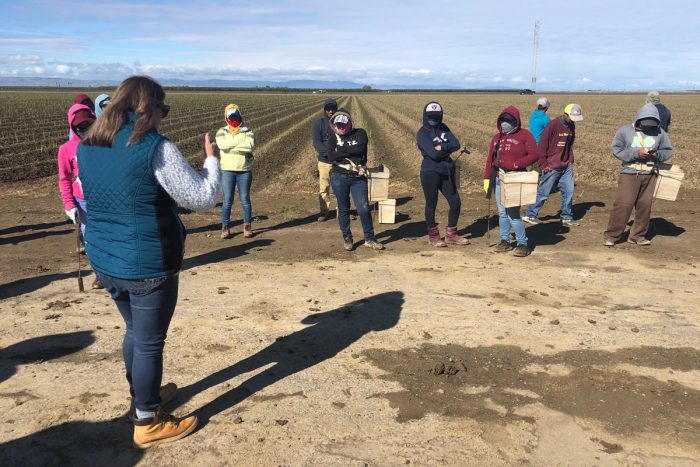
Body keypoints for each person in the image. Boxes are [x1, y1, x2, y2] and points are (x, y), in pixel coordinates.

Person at [77, 76, 221, 448]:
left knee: (135, 332)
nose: (164, 117)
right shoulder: (154, 147)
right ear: (147, 108)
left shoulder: (89, 143)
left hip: (104, 257)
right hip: (146, 261)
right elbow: (201, 197)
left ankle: (142, 396)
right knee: (149, 342)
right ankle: (147, 419)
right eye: (163, 109)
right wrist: (211, 161)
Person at [603, 103, 673, 246]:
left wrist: (657, 155)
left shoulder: (660, 132)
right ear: (640, 118)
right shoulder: (625, 131)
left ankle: (637, 236)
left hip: (650, 174)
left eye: (652, 123)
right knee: (624, 204)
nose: (649, 126)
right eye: (646, 123)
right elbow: (616, 149)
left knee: (645, 206)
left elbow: (668, 150)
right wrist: (635, 154)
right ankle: (612, 236)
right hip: (629, 173)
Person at [483, 106, 539, 257]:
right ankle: (505, 241)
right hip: (499, 178)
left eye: (508, 121)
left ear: (516, 121)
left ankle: (522, 243)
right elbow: (490, 159)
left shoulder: (525, 135)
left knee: (512, 213)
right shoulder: (497, 138)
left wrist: (516, 164)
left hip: (515, 177)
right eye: (502, 120)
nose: (504, 123)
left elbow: (534, 154)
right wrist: (487, 178)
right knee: (502, 212)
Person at [57, 102, 102, 289]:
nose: (84, 129)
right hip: (82, 201)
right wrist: (69, 204)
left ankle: (114, 271)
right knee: (90, 237)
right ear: (72, 126)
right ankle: (100, 273)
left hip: (105, 199)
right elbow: (64, 178)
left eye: (88, 125)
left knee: (108, 234)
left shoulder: (103, 143)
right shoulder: (66, 149)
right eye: (80, 127)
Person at [327, 109, 384, 251]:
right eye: (337, 124)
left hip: (358, 177)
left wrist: (341, 151)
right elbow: (331, 157)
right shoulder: (332, 137)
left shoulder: (360, 133)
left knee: (363, 209)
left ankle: (369, 238)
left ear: (350, 123)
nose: (340, 126)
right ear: (334, 124)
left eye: (343, 124)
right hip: (338, 177)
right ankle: (347, 238)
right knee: (343, 209)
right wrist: (346, 152)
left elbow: (360, 148)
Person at [416, 101, 468, 247]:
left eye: (436, 115)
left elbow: (456, 144)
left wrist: (442, 147)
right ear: (425, 116)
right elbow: (433, 154)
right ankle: (433, 237)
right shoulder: (422, 133)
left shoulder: (444, 128)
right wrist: (445, 149)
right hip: (430, 172)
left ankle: (451, 234)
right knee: (431, 204)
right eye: (430, 115)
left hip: (447, 170)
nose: (433, 118)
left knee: (456, 202)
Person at [522, 104, 583, 227]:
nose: (573, 120)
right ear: (565, 114)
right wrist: (543, 164)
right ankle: (530, 214)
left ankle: (566, 216)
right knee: (544, 192)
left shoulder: (571, 125)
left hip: (566, 165)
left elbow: (570, 144)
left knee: (569, 191)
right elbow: (542, 146)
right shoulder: (553, 125)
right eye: (571, 117)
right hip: (551, 165)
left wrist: (570, 158)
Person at [216, 103, 255, 239]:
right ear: (226, 117)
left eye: (235, 116)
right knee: (227, 201)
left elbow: (249, 146)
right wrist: (239, 143)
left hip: (244, 170)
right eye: (230, 116)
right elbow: (222, 145)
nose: (233, 119)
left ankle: (247, 226)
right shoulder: (222, 131)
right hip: (227, 170)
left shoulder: (247, 131)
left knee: (245, 199)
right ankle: (225, 228)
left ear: (239, 115)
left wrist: (230, 145)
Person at [312, 98, 338, 222]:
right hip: (324, 161)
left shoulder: (340, 123)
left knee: (341, 187)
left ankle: (343, 211)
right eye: (328, 109)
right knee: (324, 187)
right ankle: (324, 211)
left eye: (332, 109)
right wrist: (329, 154)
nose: (330, 111)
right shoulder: (319, 124)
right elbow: (317, 143)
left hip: (339, 161)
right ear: (324, 110)